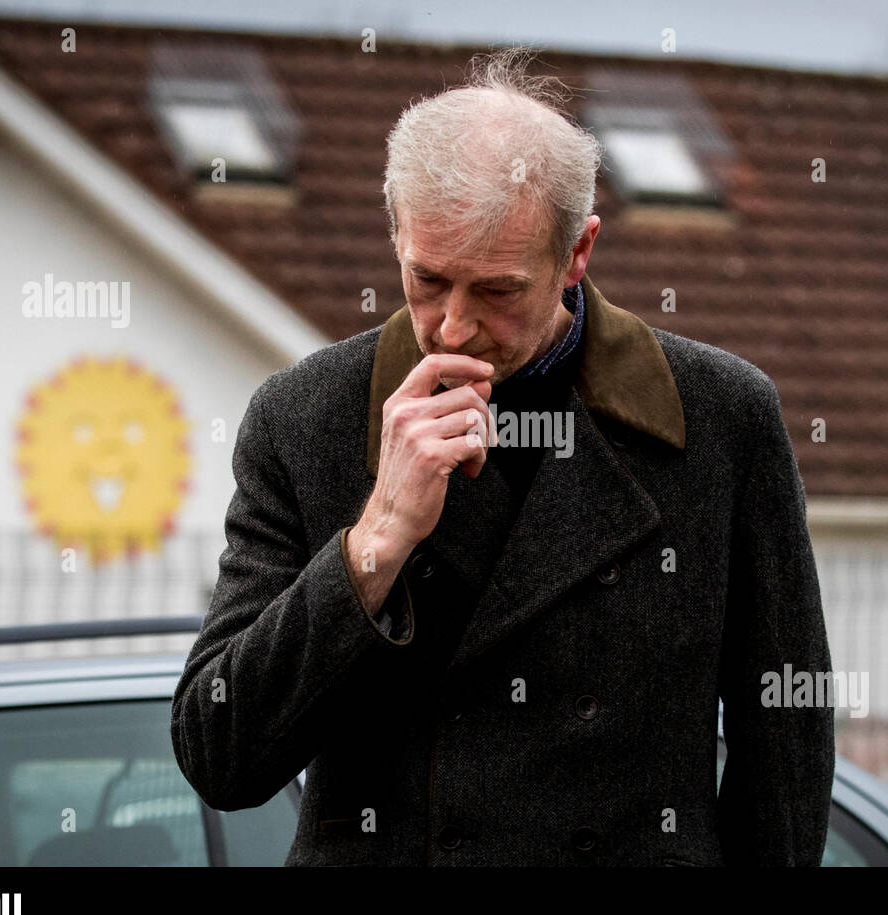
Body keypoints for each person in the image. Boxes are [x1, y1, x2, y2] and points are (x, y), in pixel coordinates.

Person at [171, 47, 834, 866]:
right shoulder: (306, 418)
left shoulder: (720, 416)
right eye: (427, 279)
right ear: (396, 237)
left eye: (496, 291)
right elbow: (220, 755)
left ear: (577, 254)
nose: (451, 327)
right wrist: (376, 541)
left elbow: (786, 749)